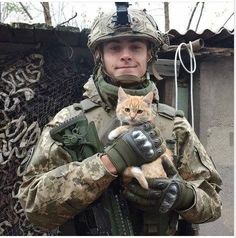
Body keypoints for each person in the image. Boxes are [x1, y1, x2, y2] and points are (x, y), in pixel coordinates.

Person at [17, 3, 222, 236]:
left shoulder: (174, 124)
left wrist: (184, 196)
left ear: (149, 55)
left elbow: (213, 204)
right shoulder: (70, 123)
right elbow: (33, 205)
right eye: (115, 48)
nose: (126, 56)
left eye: (135, 47)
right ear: (99, 56)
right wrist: (107, 164)